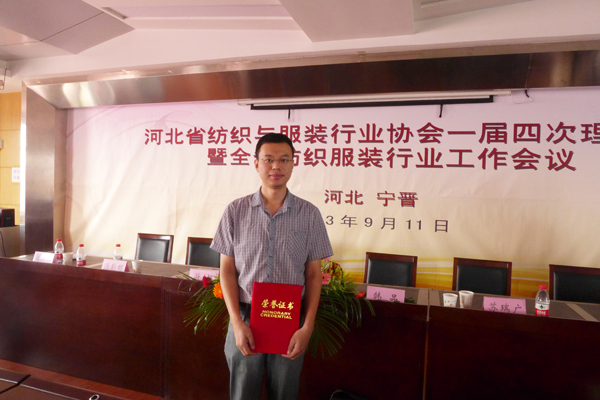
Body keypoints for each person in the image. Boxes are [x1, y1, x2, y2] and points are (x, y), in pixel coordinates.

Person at [210, 132, 333, 400]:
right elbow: (227, 270)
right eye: (268, 159)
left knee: (284, 394)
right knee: (243, 394)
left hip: (290, 321)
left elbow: (314, 275)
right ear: (256, 164)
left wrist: (307, 326)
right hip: (245, 317)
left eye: (284, 159)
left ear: (293, 164)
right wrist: (236, 322)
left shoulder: (309, 214)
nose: (276, 166)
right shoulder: (235, 211)